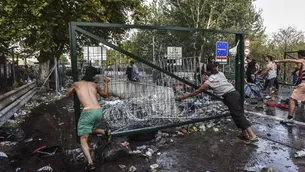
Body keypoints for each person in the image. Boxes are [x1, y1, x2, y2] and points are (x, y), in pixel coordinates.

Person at [177, 63, 257, 144]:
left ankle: (252, 135)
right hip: (234, 93)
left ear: (207, 71)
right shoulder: (220, 74)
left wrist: (186, 96)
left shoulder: (209, 81)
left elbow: (198, 91)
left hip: (230, 96)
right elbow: (219, 84)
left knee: (238, 115)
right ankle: (244, 134)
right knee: (236, 115)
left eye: (205, 71)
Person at [66, 66, 111, 171]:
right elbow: (105, 95)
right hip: (98, 111)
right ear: (93, 75)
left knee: (83, 138)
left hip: (88, 111)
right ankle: (105, 132)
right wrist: (106, 83)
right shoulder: (94, 85)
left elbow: (67, 94)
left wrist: (73, 90)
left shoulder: (76, 84)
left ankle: (90, 163)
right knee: (88, 128)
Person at [274, 50, 305, 122]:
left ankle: (289, 119)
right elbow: (298, 68)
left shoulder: (302, 60)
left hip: (303, 84)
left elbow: (289, 60)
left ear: (300, 55)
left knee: (292, 99)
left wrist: (278, 61)